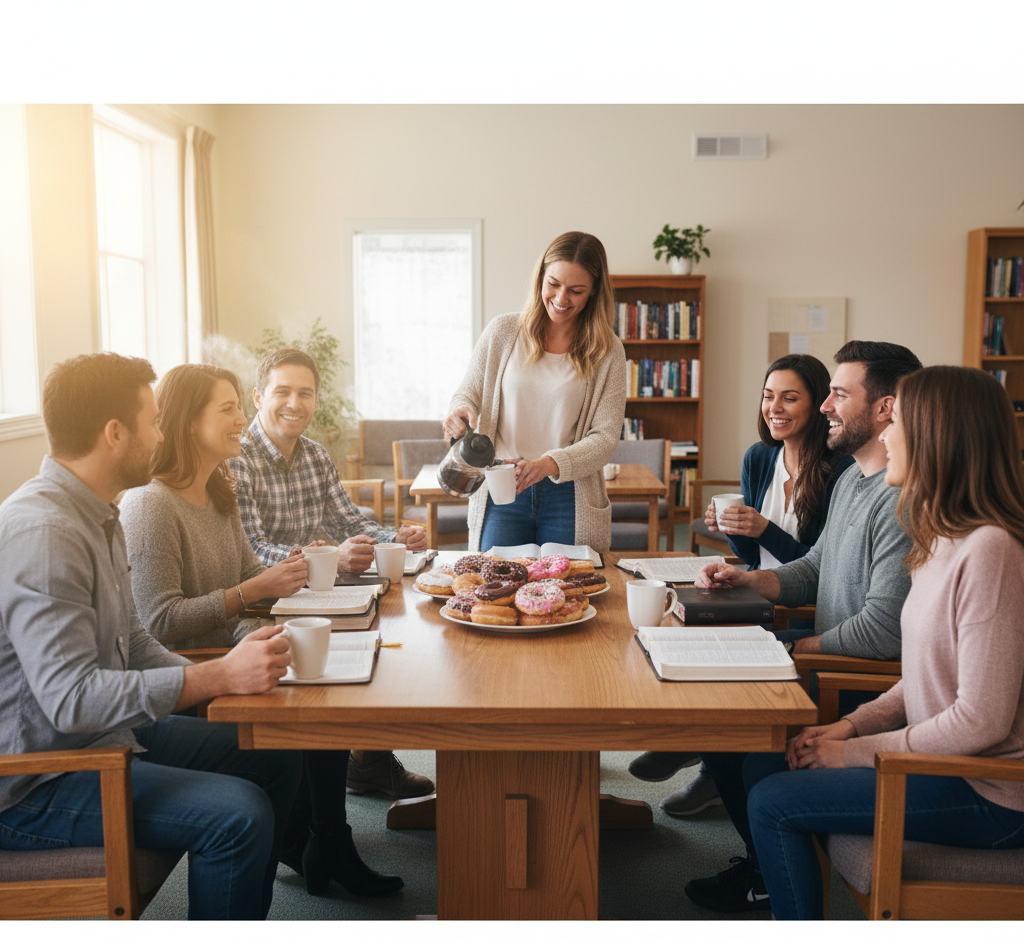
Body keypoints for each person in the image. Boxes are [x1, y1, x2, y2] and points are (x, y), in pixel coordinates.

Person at [0, 353, 303, 920]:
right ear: (115, 434)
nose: (162, 435)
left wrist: (231, 679)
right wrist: (214, 675)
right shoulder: (46, 533)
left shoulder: (95, 512)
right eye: (155, 421)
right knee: (241, 814)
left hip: (102, 740)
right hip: (35, 783)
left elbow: (136, 643)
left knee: (276, 755)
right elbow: (71, 700)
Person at [745, 365, 1024, 919]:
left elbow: (981, 721)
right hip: (942, 766)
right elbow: (920, 677)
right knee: (777, 773)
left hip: (988, 795)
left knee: (773, 801)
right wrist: (848, 725)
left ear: (938, 439)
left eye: (898, 423)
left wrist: (851, 753)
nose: (887, 435)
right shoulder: (940, 537)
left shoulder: (990, 551)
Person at [121, 362, 403, 898]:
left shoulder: (218, 491)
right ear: (186, 421)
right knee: (309, 711)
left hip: (232, 646)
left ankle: (327, 841)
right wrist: (252, 597)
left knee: (331, 684)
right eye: (228, 409)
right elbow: (158, 621)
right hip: (190, 669)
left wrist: (314, 586)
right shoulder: (150, 504)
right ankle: (315, 844)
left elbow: (252, 575)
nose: (241, 420)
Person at [682, 340, 923, 913]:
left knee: (740, 736)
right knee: (711, 713)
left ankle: (766, 869)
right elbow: (812, 571)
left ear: (886, 408)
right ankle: (763, 866)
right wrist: (745, 582)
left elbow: (882, 632)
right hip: (826, 656)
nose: (825, 408)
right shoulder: (853, 482)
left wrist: (792, 648)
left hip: (857, 675)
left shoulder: (901, 502)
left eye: (838, 394)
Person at [629, 354, 853, 816]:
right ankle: (700, 745)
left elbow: (818, 569)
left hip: (798, 605)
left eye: (790, 398)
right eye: (769, 396)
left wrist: (764, 527)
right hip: (756, 585)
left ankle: (703, 752)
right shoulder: (760, 457)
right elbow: (751, 556)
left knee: (710, 642)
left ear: (818, 404)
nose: (776, 407)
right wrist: (731, 528)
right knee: (680, 619)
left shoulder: (839, 471)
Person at [230, 348, 433, 801]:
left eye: (305, 393)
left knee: (389, 629)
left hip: (313, 592)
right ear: (259, 395)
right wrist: (331, 560)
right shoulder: (237, 458)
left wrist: (393, 536)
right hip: (263, 600)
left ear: (316, 400)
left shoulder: (315, 455)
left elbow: (349, 523)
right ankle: (349, 769)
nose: (294, 403)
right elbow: (252, 550)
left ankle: (367, 760)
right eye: (282, 392)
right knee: (366, 634)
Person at [444, 230, 627, 552]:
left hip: (569, 496)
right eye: (553, 284)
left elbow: (605, 438)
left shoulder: (608, 350)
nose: (560, 298)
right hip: (502, 488)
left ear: (594, 292)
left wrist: (547, 464)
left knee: (569, 593)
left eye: (576, 290)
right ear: (540, 277)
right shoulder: (503, 331)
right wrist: (460, 411)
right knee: (493, 586)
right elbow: (467, 393)